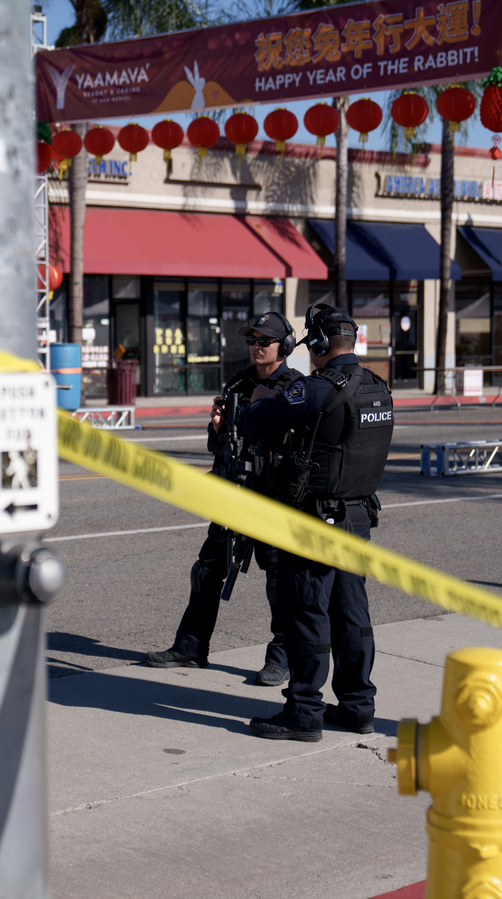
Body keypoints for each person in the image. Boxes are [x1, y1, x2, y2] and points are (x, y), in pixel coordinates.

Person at [239, 303, 394, 741]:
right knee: (352, 614)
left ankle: (304, 711)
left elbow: (257, 421)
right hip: (359, 516)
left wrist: (257, 403)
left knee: (306, 612)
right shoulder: (378, 388)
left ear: (322, 344)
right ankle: (358, 707)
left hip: (315, 521)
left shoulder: (316, 389)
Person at [144, 312, 301, 686]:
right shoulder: (238, 384)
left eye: (264, 340)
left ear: (285, 347)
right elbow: (219, 445)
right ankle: (191, 647)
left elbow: (299, 446)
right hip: (234, 495)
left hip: (271, 500)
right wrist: (217, 427)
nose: (256, 347)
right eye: (252, 340)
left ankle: (282, 656)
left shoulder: (295, 388)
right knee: (207, 569)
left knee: (279, 580)